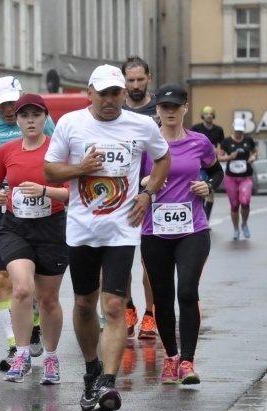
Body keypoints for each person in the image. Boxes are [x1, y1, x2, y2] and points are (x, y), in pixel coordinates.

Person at [44, 64, 171, 411]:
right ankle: (91, 370)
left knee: (113, 306)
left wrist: (148, 194)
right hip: (82, 229)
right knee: (85, 304)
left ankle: (109, 383)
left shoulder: (142, 125)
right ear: (90, 93)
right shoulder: (71, 124)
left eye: (116, 93)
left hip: (121, 228)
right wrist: (79, 169)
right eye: (104, 93)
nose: (111, 100)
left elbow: (163, 159)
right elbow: (50, 169)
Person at [0, 76, 56, 370]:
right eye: (4, 105)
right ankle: (14, 346)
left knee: (37, 288)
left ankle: (35, 327)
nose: (9, 109)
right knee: (2, 277)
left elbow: (57, 155)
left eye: (12, 103)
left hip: (45, 210)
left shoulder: (44, 122)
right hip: (4, 206)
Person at [0, 94, 70, 384]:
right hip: (15, 226)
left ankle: (51, 358)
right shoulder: (7, 150)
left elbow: (73, 193)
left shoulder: (58, 151)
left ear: (45, 118)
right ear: (17, 120)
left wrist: (45, 191)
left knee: (46, 299)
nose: (30, 121)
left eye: (35, 115)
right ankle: (21, 355)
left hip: (51, 228)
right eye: (24, 116)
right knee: (21, 289)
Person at [140, 83, 224, 385]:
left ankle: (188, 362)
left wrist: (209, 186)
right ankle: (171, 358)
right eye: (165, 107)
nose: (170, 111)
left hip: (193, 229)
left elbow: (216, 171)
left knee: (187, 291)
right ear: (158, 110)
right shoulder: (146, 144)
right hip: (154, 231)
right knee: (162, 298)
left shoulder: (199, 142)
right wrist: (147, 181)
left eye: (176, 106)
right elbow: (132, 181)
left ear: (185, 108)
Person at [120, 55, 158, 341]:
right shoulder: (114, 108)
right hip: (121, 193)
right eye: (130, 80)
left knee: (150, 260)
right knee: (120, 257)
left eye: (139, 79)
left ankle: (151, 313)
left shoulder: (159, 108)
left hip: (156, 191)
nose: (135, 85)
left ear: (149, 78)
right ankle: (128, 307)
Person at [219, 118, 257, 240]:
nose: (239, 133)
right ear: (233, 128)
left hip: (246, 176)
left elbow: (255, 152)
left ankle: (244, 224)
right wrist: (229, 157)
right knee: (235, 205)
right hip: (231, 177)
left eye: (241, 131)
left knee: (245, 202)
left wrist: (253, 157)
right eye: (237, 130)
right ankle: (235, 229)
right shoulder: (226, 142)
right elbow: (219, 157)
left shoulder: (248, 140)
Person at [189, 105, 225, 223]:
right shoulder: (196, 128)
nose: (209, 116)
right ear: (202, 115)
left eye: (210, 113)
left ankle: (206, 219)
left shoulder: (218, 130)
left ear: (213, 115)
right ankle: (199, 217)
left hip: (210, 161)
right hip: (198, 162)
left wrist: (219, 153)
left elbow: (222, 146)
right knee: (200, 190)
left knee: (210, 191)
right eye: (206, 113)